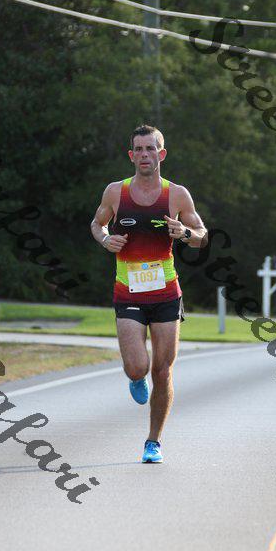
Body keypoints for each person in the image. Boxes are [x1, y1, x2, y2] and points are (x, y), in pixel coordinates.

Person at [91, 124, 207, 463]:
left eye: (150, 148)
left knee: (163, 371)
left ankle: (153, 442)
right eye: (139, 149)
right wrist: (105, 239)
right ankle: (134, 377)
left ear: (161, 154)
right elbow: (97, 224)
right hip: (128, 293)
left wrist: (184, 232)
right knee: (137, 367)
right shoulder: (116, 192)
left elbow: (201, 235)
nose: (145, 155)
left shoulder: (177, 195)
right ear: (131, 155)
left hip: (166, 293)